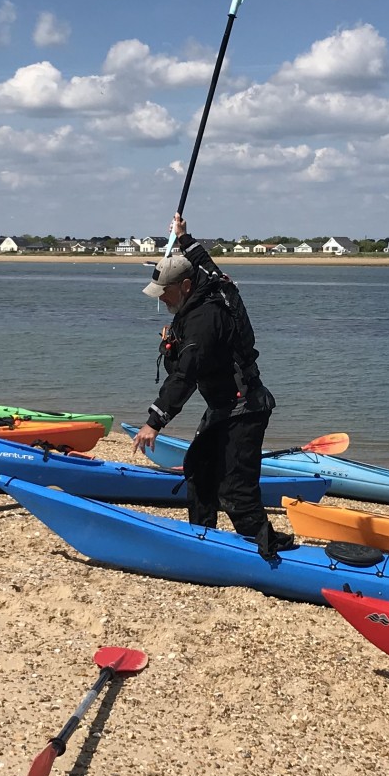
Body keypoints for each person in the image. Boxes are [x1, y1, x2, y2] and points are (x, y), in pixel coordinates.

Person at [132, 215, 292, 557]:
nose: (163, 301)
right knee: (199, 471)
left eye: (166, 294)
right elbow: (206, 263)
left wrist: (154, 422)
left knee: (235, 490)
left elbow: (185, 375)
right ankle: (201, 538)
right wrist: (184, 237)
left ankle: (266, 550)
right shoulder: (212, 285)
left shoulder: (205, 320)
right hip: (224, 407)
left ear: (187, 286)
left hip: (245, 408)